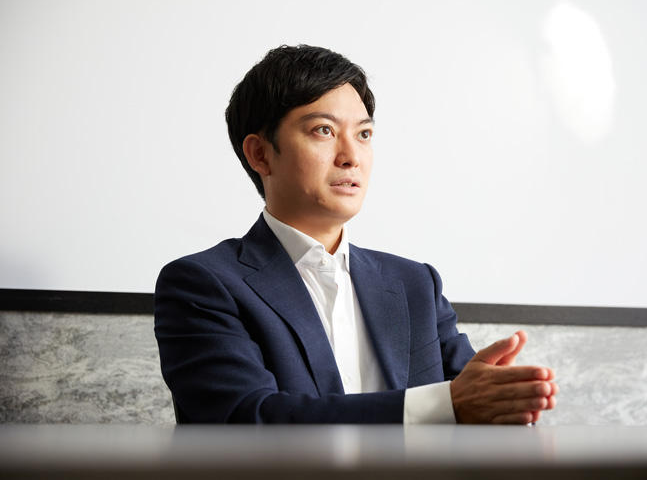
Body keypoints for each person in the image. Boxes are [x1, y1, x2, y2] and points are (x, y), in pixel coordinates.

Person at [154, 44, 558, 423]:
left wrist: (501, 403)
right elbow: (250, 417)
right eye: (323, 131)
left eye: (364, 134)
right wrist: (443, 404)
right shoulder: (203, 284)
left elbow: (470, 403)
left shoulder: (415, 283)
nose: (351, 157)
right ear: (260, 154)